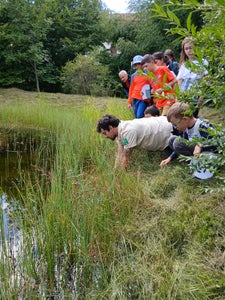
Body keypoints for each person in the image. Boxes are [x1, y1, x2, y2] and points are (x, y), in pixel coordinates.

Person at [96, 114, 173, 170]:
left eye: (105, 133)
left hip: (168, 130)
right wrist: (115, 169)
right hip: (163, 125)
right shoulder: (120, 130)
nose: (105, 136)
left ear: (111, 127)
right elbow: (120, 150)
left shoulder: (127, 131)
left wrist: (121, 174)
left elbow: (127, 155)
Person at [160, 102, 216, 168]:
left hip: (210, 154)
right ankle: (193, 163)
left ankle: (198, 166)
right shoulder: (186, 129)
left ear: (185, 119)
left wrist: (200, 144)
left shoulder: (201, 125)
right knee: (171, 140)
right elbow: (183, 143)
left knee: (177, 143)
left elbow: (215, 138)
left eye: (175, 124)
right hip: (196, 154)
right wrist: (170, 158)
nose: (175, 127)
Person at [176, 37, 208, 116]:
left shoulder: (203, 62)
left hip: (195, 93)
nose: (189, 51)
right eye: (186, 49)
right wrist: (177, 97)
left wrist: (201, 97)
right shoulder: (184, 65)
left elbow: (204, 80)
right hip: (184, 94)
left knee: (192, 115)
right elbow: (180, 82)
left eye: (191, 48)